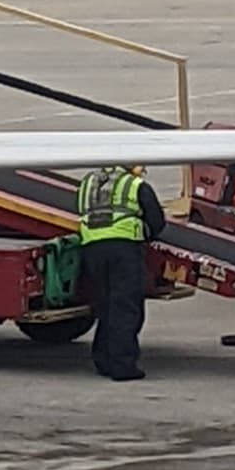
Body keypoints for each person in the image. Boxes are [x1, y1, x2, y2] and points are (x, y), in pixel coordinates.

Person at [73, 157, 167, 381]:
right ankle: (123, 366)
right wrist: (147, 233)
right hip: (124, 249)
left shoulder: (88, 182)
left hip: (92, 249)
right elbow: (157, 221)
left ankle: (103, 360)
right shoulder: (135, 185)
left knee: (105, 306)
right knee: (125, 308)